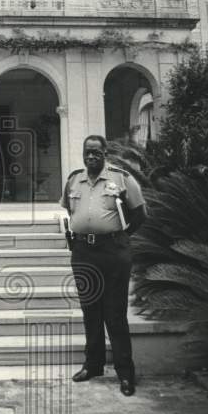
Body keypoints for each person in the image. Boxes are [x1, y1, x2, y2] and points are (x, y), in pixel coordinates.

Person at [60, 135, 147, 396]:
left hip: (113, 252)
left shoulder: (122, 179)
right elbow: (69, 211)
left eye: (97, 152)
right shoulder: (74, 180)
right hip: (84, 252)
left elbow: (140, 214)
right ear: (83, 154)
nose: (92, 157)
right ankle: (93, 365)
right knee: (90, 310)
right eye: (88, 152)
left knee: (115, 313)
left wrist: (119, 237)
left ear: (105, 153)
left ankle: (125, 374)